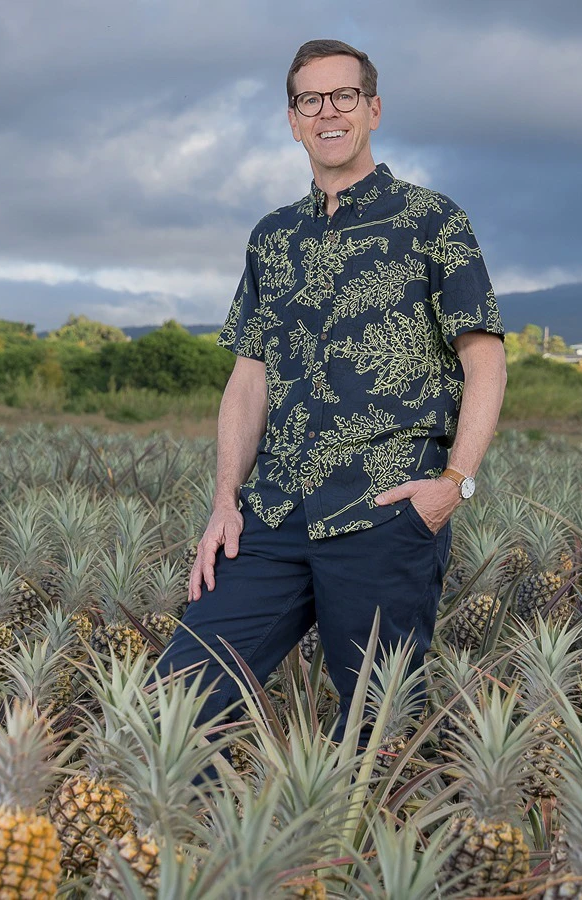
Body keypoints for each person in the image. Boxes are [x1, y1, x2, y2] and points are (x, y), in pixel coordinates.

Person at [155, 39, 507, 747]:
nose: (328, 112)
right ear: (293, 121)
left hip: (384, 511)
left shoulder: (432, 221)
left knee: (378, 730)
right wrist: (226, 500)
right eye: (310, 101)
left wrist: (454, 485)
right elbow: (248, 379)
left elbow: (485, 361)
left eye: (343, 96)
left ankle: (363, 856)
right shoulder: (273, 238)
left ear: (372, 109)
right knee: (177, 699)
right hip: (274, 513)